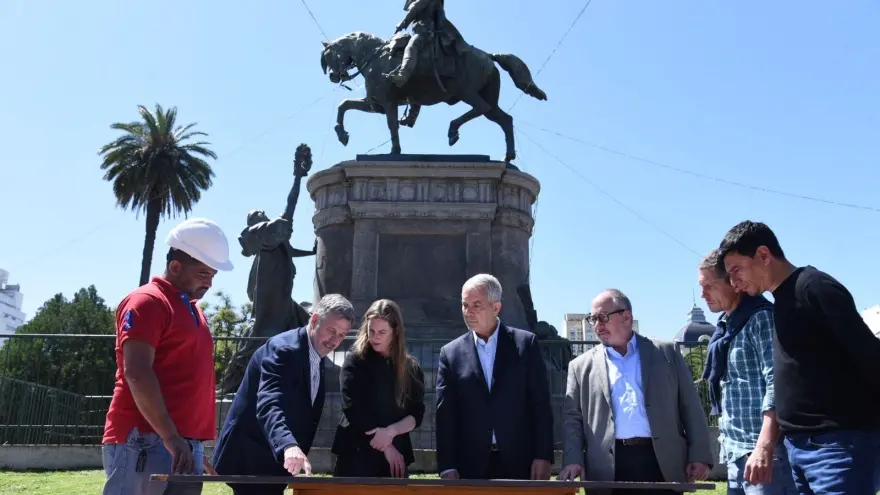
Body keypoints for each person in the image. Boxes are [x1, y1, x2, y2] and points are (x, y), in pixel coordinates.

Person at [719, 220, 880, 493]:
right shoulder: (780, 302)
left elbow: (869, 356)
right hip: (799, 449)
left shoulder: (813, 288)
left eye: (736, 271)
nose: (734, 283)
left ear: (763, 255)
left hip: (837, 447)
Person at [101, 218, 234, 495]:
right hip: (145, 439)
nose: (209, 283)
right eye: (203, 274)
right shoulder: (147, 301)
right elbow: (136, 372)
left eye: (212, 275)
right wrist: (171, 437)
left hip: (177, 443)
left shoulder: (192, 309)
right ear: (175, 267)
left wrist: (191, 444)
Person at [558, 289, 712, 494]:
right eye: (592, 319)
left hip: (661, 462)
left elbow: (690, 406)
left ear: (626, 316)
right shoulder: (580, 366)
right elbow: (572, 420)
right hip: (608, 466)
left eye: (603, 317)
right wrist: (573, 459)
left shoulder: (666, 352)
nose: (597, 325)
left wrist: (699, 454)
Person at [212, 294, 355, 495]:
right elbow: (269, 402)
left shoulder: (316, 351)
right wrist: (288, 445)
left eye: (342, 335)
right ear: (314, 320)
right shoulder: (285, 349)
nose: (335, 341)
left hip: (275, 462)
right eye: (331, 330)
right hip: (251, 459)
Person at [435, 273, 554, 480]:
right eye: (465, 305)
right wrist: (447, 466)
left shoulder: (525, 345)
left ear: (496, 307)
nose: (468, 312)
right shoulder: (450, 353)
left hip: (520, 462)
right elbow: (445, 416)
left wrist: (543, 455)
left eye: (476, 305)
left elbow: (540, 405)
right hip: (470, 466)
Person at [698, 249, 797, 494]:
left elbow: (778, 383)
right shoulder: (725, 328)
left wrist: (764, 446)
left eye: (709, 285)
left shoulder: (761, 318)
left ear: (734, 284)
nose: (703, 294)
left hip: (765, 455)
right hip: (736, 452)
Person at [331, 299, 426, 478]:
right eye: (371, 331)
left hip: (395, 457)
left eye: (382, 332)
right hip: (356, 454)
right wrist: (387, 446)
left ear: (395, 332)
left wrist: (391, 433)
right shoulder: (355, 361)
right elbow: (352, 408)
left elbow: (416, 413)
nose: (375, 337)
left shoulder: (410, 368)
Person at [385, 0, 467, 88]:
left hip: (425, 31)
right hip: (426, 31)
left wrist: (403, 23)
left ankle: (403, 75)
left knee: (411, 47)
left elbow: (416, 7)